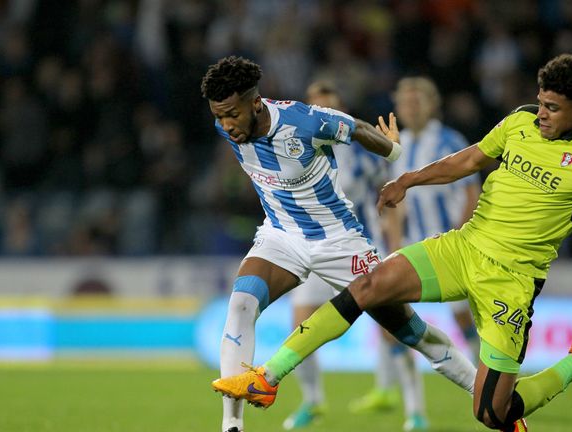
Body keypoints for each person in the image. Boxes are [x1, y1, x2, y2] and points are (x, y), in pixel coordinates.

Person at [212, 54, 572, 432]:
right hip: (462, 247)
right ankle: (267, 378)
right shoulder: (521, 122)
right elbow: (468, 161)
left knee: (491, 413)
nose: (541, 113)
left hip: (511, 279)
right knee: (368, 286)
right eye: (540, 103)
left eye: (553, 108)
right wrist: (407, 179)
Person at [202, 56, 478, 432]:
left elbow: (360, 128)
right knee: (241, 305)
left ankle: (490, 396)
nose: (226, 125)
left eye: (232, 114)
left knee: (409, 331)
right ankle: (232, 426)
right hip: (280, 235)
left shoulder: (304, 121)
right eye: (219, 116)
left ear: (254, 103)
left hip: (339, 242)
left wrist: (392, 151)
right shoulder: (228, 128)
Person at [283, 81, 429, 431]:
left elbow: (391, 199)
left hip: (357, 250)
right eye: (318, 107)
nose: (324, 113)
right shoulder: (293, 148)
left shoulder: (362, 152)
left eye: (330, 106)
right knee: (299, 330)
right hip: (315, 251)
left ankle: (415, 410)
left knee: (394, 329)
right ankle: (313, 401)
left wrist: (394, 245)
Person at [349, 76, 483, 426]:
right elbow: (393, 201)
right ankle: (415, 411)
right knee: (394, 321)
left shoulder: (451, 141)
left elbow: (471, 193)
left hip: (452, 246)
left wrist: (462, 235)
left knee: (463, 317)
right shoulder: (398, 145)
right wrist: (393, 246)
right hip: (411, 248)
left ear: (432, 103)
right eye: (405, 101)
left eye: (417, 100)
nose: (410, 107)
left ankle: (488, 384)